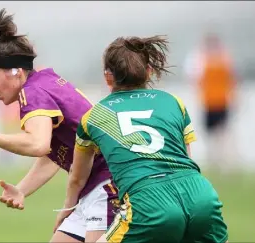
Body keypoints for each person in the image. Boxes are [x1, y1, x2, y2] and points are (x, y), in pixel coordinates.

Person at [0, 8, 118, 243]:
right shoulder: (45, 81)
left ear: (15, 72)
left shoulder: (32, 94)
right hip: (92, 186)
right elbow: (54, 152)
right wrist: (22, 189)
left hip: (109, 184)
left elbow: (38, 144)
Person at [58, 35, 228, 243]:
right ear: (148, 72)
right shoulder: (173, 102)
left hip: (147, 201)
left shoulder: (95, 116)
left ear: (108, 77)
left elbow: (77, 178)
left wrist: (66, 210)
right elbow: (187, 159)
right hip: (200, 195)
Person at [183, 32, 237, 171]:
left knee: (220, 133)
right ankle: (218, 161)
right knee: (216, 133)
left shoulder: (214, 59)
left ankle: (221, 161)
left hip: (218, 101)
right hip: (212, 101)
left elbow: (231, 80)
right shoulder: (209, 58)